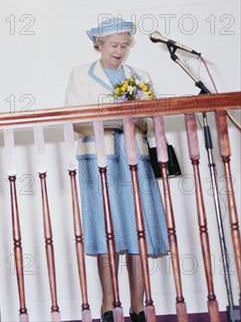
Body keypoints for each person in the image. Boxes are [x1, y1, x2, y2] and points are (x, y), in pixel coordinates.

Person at [64, 16, 169, 322]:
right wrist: (114, 120)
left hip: (134, 160)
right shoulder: (80, 75)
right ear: (99, 44)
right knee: (105, 231)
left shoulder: (140, 75)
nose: (119, 50)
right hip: (99, 161)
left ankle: (138, 307)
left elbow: (148, 125)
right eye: (113, 45)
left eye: (124, 45)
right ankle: (109, 306)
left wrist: (134, 120)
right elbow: (76, 122)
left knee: (138, 230)